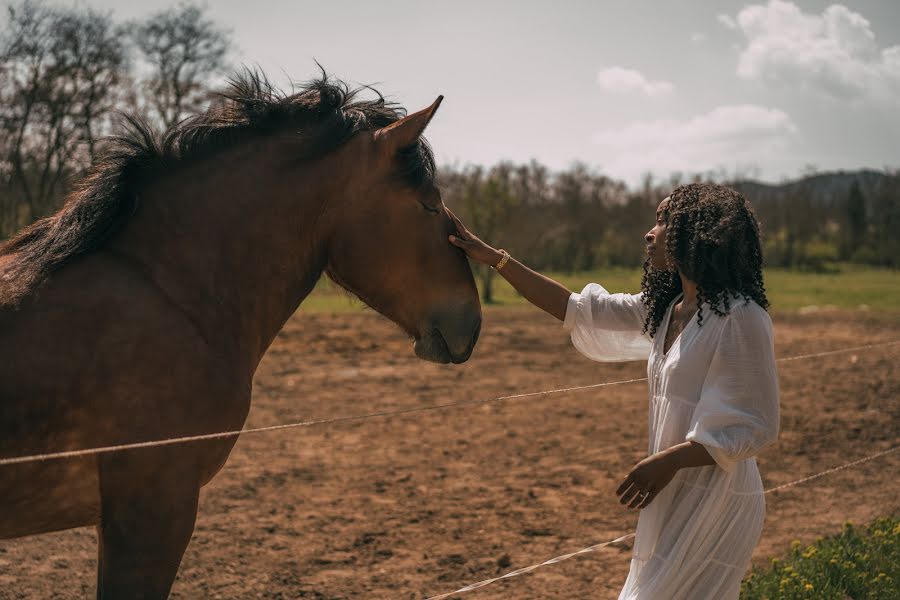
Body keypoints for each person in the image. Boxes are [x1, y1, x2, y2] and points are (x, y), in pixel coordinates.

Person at [446, 182, 780, 599]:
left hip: (718, 498)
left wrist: (668, 462)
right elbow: (575, 308)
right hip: (671, 493)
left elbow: (755, 422)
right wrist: (495, 259)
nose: (650, 232)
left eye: (664, 221)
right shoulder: (663, 310)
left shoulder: (740, 316)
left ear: (697, 232)